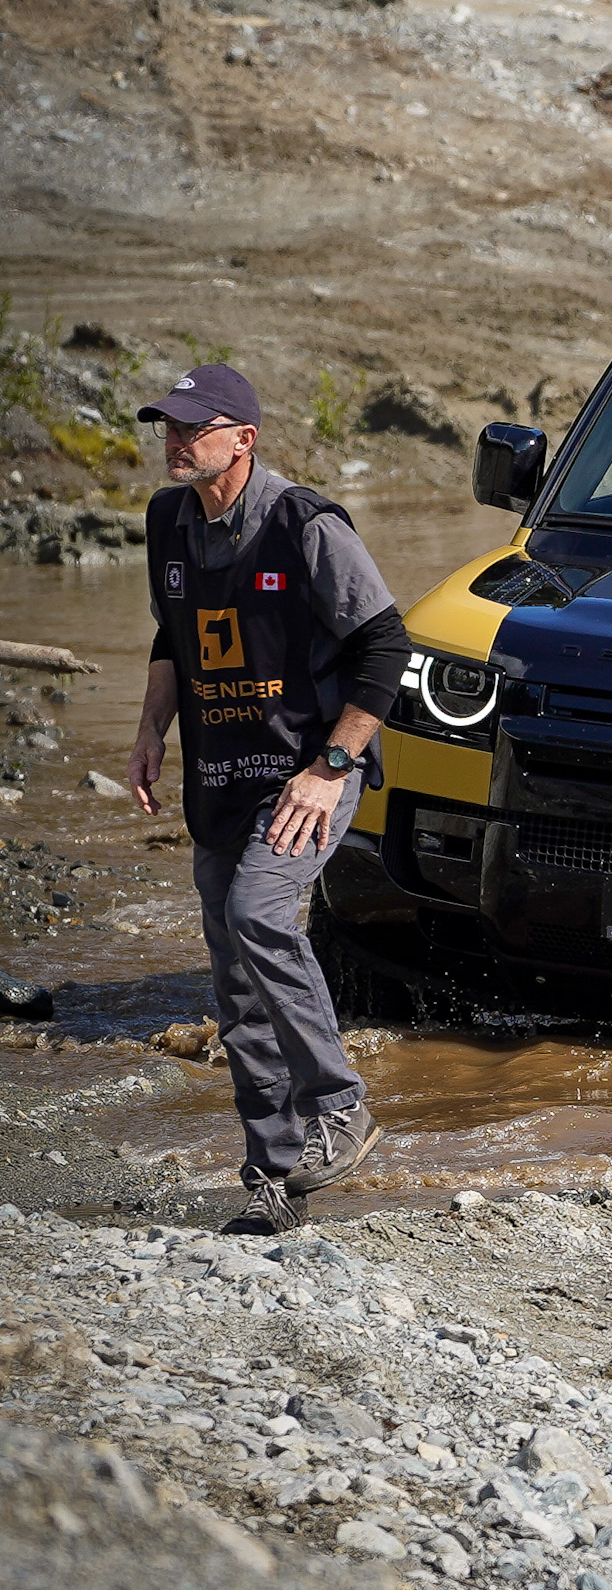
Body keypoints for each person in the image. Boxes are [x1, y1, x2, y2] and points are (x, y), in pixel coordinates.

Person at [125, 364, 411, 1236]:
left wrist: (330, 767)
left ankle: (341, 1104)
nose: (175, 441)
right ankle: (273, 1179)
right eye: (167, 427)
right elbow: (173, 634)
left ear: (242, 439)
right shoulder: (168, 520)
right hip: (220, 773)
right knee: (235, 983)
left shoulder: (304, 523)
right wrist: (150, 732)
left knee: (259, 910)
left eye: (193, 427)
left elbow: (385, 644)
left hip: (307, 776)